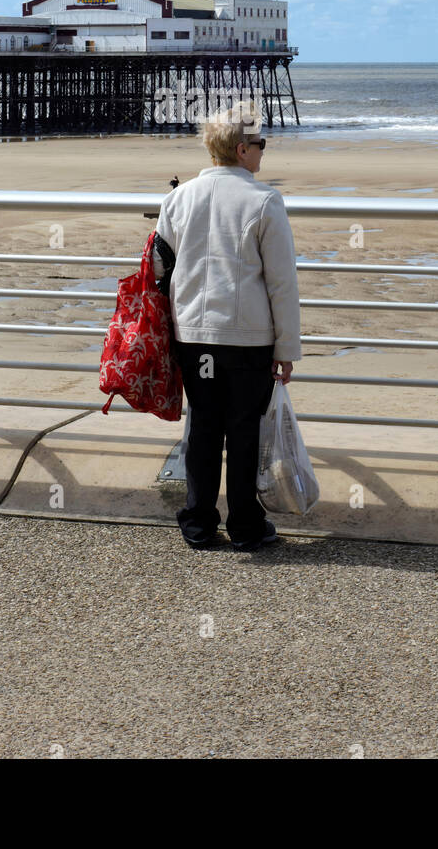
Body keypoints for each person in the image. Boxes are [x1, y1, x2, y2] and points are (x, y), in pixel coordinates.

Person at [152, 99, 301, 551]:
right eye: (260, 144)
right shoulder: (264, 200)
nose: (263, 152)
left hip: (194, 336)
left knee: (201, 428)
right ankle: (245, 526)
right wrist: (286, 349)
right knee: (243, 431)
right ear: (241, 150)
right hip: (248, 339)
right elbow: (281, 283)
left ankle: (198, 523)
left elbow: (160, 268)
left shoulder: (179, 198)